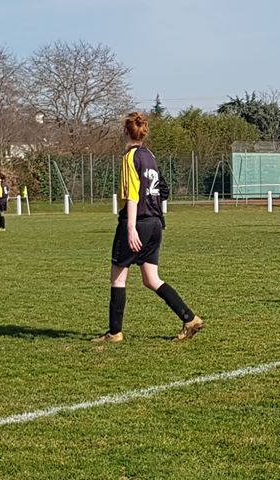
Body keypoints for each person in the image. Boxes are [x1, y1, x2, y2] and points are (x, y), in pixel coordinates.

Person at [93, 112, 204, 343]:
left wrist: (131, 228)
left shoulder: (130, 158)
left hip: (137, 222)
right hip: (155, 223)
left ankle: (114, 333)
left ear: (126, 132)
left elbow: (132, 195)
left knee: (118, 278)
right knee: (151, 279)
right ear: (144, 132)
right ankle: (189, 318)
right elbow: (163, 189)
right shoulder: (150, 156)